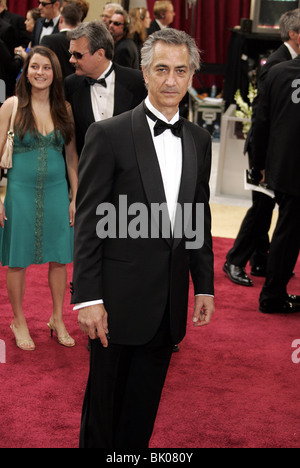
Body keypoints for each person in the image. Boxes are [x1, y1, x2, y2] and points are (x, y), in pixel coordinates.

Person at [71, 28, 215, 448]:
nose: (171, 81)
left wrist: (203, 285)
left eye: (181, 71)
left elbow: (197, 216)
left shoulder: (200, 140)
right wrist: (88, 298)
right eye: (162, 70)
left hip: (167, 304)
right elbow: (89, 222)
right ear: (145, 73)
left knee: (141, 416)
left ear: (191, 77)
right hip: (113, 304)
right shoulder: (109, 134)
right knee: (103, 415)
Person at [0, 46, 78, 351]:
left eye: (46, 68)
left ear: (54, 73)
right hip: (18, 192)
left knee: (60, 258)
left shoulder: (65, 109)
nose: (40, 73)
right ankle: (18, 320)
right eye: (35, 67)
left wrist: (76, 197)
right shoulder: (12, 106)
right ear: (27, 70)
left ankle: (57, 318)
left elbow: (72, 157)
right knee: (17, 260)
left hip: (58, 191)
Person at [223, 9, 300, 287]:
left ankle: (259, 258)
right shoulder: (276, 63)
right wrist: (259, 163)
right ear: (294, 34)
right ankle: (234, 259)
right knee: (261, 209)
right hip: (265, 151)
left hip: (273, 151)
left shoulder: (283, 61)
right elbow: (262, 115)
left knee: (265, 208)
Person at [251, 36, 300, 314]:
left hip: (281, 168)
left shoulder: (277, 72)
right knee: (288, 232)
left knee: (287, 230)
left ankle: (274, 290)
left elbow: (260, 122)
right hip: (290, 171)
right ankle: (273, 293)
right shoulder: (279, 71)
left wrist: (259, 165)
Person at [65, 20, 147, 156]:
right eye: (71, 53)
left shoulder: (138, 82)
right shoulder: (71, 85)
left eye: (77, 55)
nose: (71, 60)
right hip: (88, 171)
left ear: (100, 54)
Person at [41, 2, 82, 78]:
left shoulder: (49, 40)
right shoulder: (83, 42)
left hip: (55, 87)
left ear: (61, 19)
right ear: (79, 22)